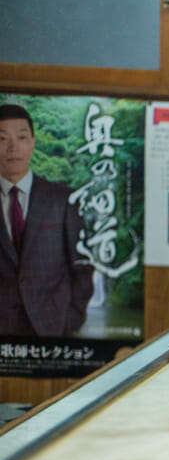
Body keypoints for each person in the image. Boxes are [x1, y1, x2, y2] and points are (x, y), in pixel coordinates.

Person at [0, 103, 94, 337]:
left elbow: (82, 267)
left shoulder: (63, 199)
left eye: (21, 138)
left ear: (32, 143)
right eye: (2, 139)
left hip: (53, 330)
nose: (13, 148)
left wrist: (70, 321)